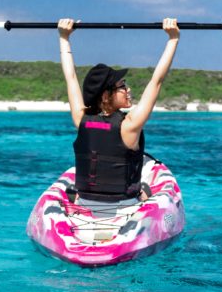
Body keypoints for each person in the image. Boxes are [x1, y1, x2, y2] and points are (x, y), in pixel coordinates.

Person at [57, 17, 180, 204]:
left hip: (86, 203)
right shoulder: (129, 126)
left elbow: (71, 77)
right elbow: (156, 81)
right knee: (145, 189)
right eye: (122, 86)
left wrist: (64, 37)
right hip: (124, 205)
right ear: (106, 96)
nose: (128, 89)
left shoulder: (81, 119)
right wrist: (173, 39)